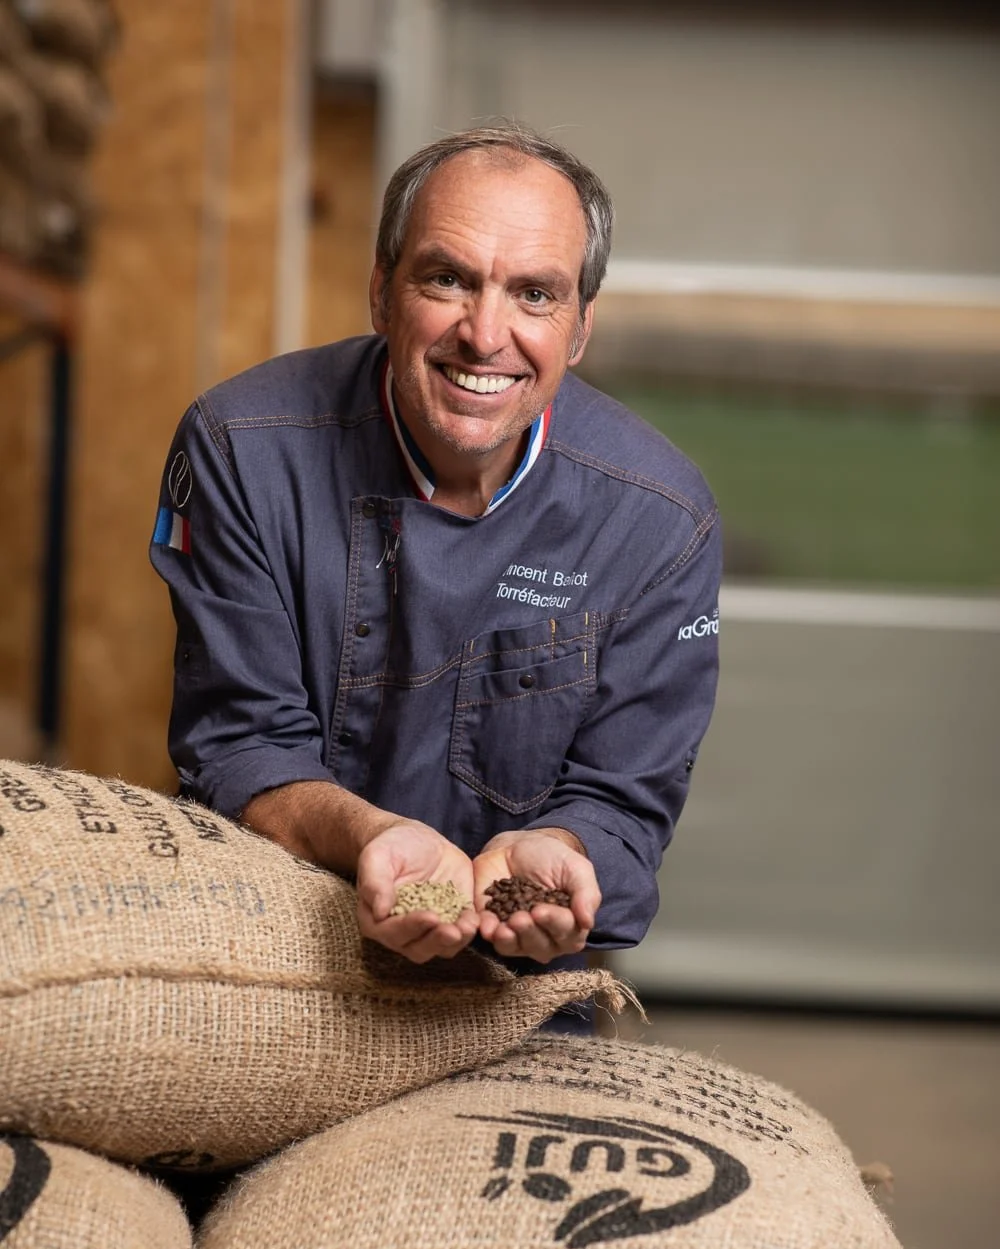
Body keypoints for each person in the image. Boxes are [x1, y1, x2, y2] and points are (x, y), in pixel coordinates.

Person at [150, 121, 721, 985]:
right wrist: (373, 839)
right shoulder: (243, 451)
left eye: (535, 294)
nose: (485, 335)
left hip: (514, 988)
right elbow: (239, 744)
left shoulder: (659, 520)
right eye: (448, 279)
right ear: (381, 292)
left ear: (579, 330)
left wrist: (559, 851)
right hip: (267, 959)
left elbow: (621, 801)